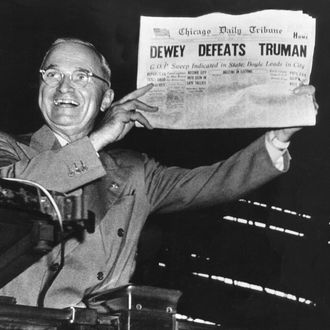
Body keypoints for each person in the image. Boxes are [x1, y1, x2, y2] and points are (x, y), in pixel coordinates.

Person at [0, 38, 317, 309]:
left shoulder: (136, 172)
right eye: (52, 74)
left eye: (82, 76)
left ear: (106, 98)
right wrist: (98, 139)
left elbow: (212, 183)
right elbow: (18, 190)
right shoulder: (9, 150)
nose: (64, 87)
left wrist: (278, 137)